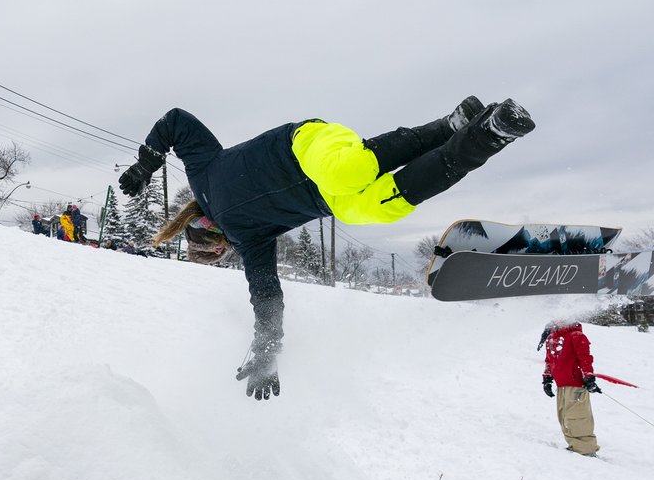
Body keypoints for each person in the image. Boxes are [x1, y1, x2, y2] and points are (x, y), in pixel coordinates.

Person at [118, 96, 535, 401]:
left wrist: (145, 165)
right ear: (221, 249)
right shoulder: (252, 242)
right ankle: (485, 135)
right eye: (207, 249)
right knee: (374, 207)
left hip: (301, 147)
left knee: (346, 170)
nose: (207, 238)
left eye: (196, 235)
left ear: (192, 221)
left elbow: (175, 121)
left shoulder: (202, 170)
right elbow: (265, 294)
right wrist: (266, 350)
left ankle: (446, 127)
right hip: (325, 197)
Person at [541, 320, 601, 456]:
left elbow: (585, 358)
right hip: (561, 385)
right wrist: (547, 379)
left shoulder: (576, 336)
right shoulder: (551, 338)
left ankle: (586, 450)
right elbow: (549, 360)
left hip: (576, 385)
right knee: (564, 417)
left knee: (578, 417)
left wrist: (589, 377)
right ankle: (575, 446)